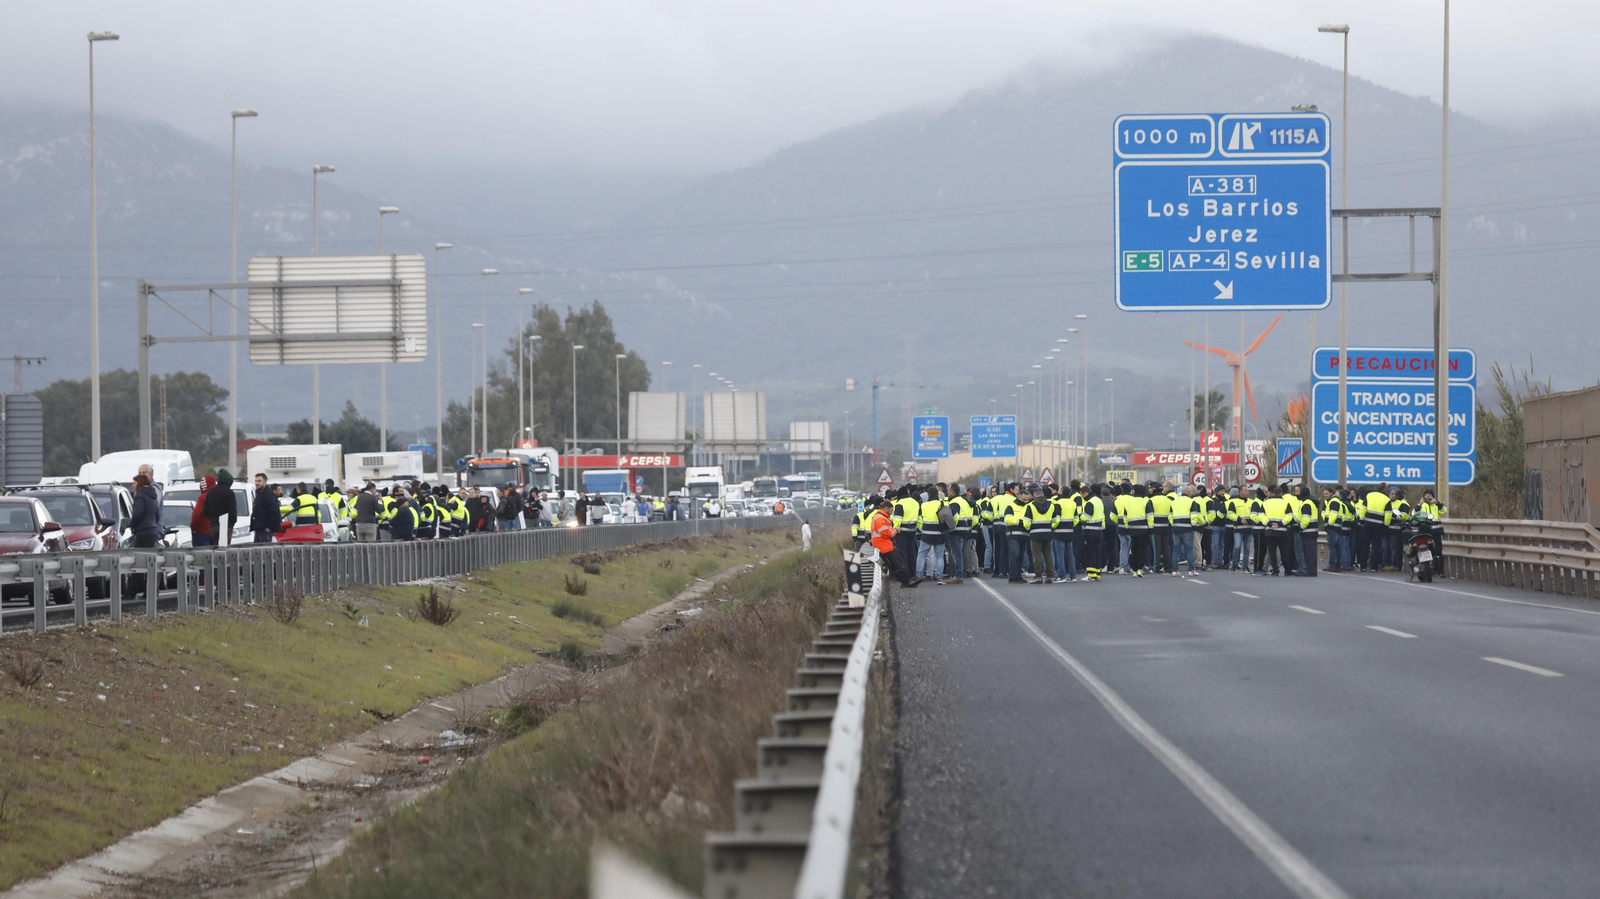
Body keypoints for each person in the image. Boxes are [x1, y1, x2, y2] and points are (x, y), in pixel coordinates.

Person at [124, 474, 163, 597]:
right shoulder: (152, 495)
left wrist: (132, 525)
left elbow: (137, 514)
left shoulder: (140, 495)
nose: (133, 485)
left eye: (134, 482)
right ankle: (150, 591)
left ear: (140, 483)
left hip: (143, 532)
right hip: (152, 532)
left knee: (139, 563)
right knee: (150, 563)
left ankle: (132, 592)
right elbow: (157, 515)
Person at [868, 497, 913, 588]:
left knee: (895, 565)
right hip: (884, 545)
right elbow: (886, 533)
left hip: (883, 545)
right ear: (886, 509)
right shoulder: (880, 518)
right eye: (891, 510)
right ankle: (906, 580)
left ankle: (906, 580)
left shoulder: (881, 517)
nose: (892, 513)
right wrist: (896, 531)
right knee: (896, 564)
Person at [916, 485, 946, 582]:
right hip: (940, 533)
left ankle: (919, 575)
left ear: (928, 494)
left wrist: (921, 529)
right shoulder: (943, 504)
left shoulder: (924, 505)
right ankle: (939, 576)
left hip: (926, 533)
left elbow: (920, 519)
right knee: (939, 556)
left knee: (921, 554)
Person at [200, 468, 238, 546]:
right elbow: (232, 512)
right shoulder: (230, 493)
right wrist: (231, 524)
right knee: (224, 548)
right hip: (226, 525)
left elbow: (205, 511)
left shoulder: (210, 492)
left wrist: (213, 519)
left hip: (213, 526)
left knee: (215, 547)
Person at [1416, 490, 1448, 576]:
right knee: (1425, 549)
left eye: (1429, 494)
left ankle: (1440, 571)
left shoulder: (1436, 505)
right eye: (1426, 494)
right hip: (1425, 531)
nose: (1428, 496)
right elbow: (1414, 513)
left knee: (1438, 551)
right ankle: (1425, 568)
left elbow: (1444, 510)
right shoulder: (1422, 505)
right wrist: (1419, 505)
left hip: (1436, 532)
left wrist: (1437, 503)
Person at [250, 473, 282, 543]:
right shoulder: (259, 493)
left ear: (265, 482)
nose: (257, 483)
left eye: (259, 481)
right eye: (256, 481)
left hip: (265, 530)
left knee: (265, 549)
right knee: (257, 549)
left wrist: (269, 527)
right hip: (258, 529)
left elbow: (275, 512)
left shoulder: (269, 495)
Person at [190, 475, 218, 547]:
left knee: (202, 553)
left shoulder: (202, 498)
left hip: (202, 532)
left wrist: (193, 528)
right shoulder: (218, 496)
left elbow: (196, 514)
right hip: (216, 531)